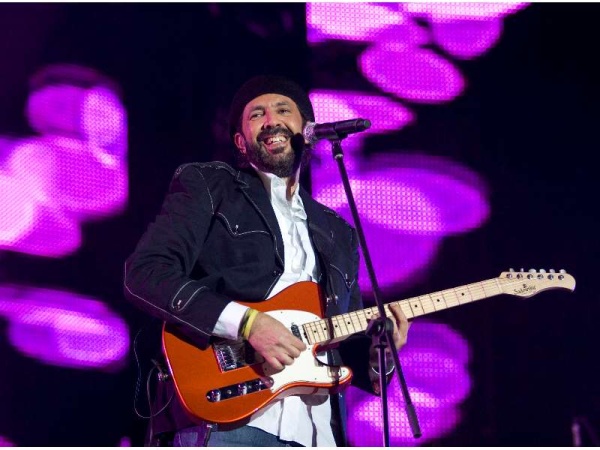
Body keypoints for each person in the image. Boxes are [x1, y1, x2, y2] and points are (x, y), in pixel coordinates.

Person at [123, 74, 411, 447]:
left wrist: (378, 356)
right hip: (230, 422)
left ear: (308, 130)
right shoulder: (211, 186)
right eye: (256, 114)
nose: (271, 120)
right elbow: (145, 273)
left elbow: (341, 338)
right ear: (240, 141)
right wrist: (249, 324)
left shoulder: (338, 231)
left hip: (319, 433)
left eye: (283, 110)